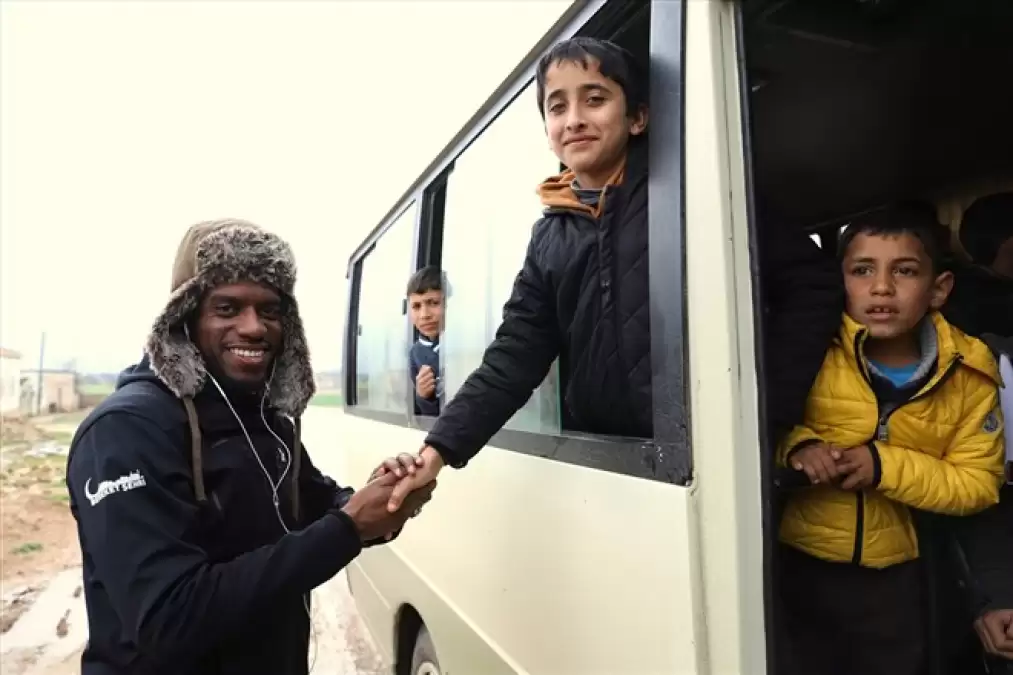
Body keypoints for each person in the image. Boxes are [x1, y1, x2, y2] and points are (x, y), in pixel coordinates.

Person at [385, 36, 843, 511]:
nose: (574, 119)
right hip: (608, 474)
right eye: (557, 107)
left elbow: (812, 286)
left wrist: (765, 408)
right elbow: (515, 355)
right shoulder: (549, 238)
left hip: (713, 464)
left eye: (595, 99)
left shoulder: (698, 193)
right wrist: (438, 449)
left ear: (637, 118)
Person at [66, 219, 434, 675]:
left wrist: (382, 500)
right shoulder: (126, 430)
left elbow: (314, 499)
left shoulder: (262, 416)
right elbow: (168, 618)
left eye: (270, 310)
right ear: (184, 316)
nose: (254, 327)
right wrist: (349, 528)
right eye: (227, 308)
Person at [776, 202, 1006, 675]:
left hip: (903, 577)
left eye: (905, 271)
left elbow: (979, 484)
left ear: (939, 289)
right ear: (838, 282)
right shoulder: (808, 352)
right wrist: (799, 448)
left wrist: (881, 466)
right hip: (798, 566)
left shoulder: (969, 374)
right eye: (862, 270)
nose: (881, 287)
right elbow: (758, 424)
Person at [406, 265, 445, 416]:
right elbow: (428, 416)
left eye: (434, 303)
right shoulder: (415, 353)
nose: (424, 315)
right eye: (416, 306)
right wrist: (423, 397)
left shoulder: (466, 342)